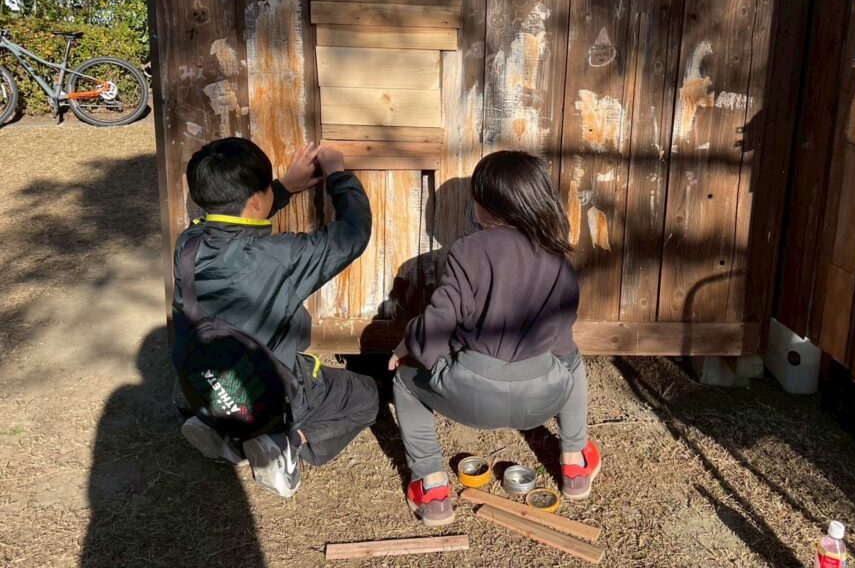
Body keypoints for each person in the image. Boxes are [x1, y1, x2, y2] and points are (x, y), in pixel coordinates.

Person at [389, 150, 600, 526]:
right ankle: (575, 463)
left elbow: (436, 327)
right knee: (572, 361)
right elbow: (562, 343)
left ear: (486, 204)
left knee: (405, 382)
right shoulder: (558, 259)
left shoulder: (467, 251)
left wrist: (411, 345)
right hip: (543, 398)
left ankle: (432, 488)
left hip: (471, 398)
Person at [172, 137, 379, 498]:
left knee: (232, 383)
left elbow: (236, 225)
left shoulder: (188, 243)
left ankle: (219, 430)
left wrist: (283, 187)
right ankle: (284, 443)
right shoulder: (278, 256)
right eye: (267, 190)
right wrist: (337, 174)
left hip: (204, 382)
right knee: (365, 396)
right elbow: (352, 234)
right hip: (271, 393)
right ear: (256, 200)